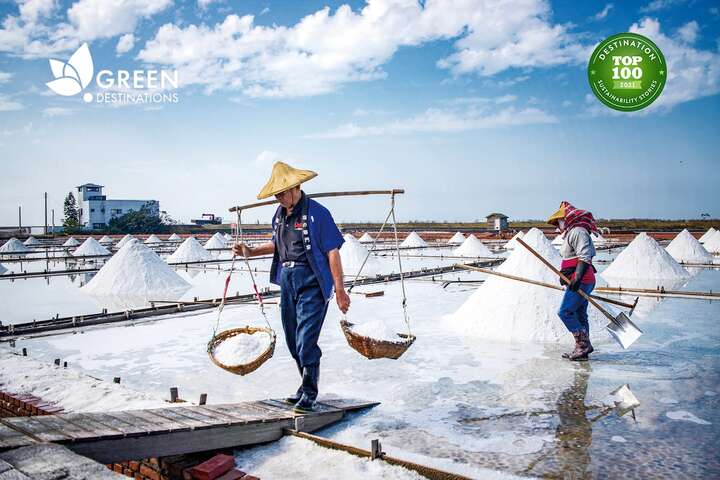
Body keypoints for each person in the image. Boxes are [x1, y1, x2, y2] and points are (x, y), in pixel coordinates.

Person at [233, 161, 350, 412]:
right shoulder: (279, 215)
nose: (279, 197)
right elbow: (277, 244)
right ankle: (303, 385)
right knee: (292, 339)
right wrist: (251, 251)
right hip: (287, 280)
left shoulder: (318, 213)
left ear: (296, 187)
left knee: (306, 340)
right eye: (276, 194)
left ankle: (310, 392)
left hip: (312, 282)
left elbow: (332, 252)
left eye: (282, 192)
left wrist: (340, 290)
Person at [547, 201, 598, 361]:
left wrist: (576, 277)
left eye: (560, 221)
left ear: (568, 218)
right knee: (580, 314)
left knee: (565, 312)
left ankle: (583, 345)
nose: (559, 225)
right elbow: (573, 258)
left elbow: (584, 256)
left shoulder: (578, 232)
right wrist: (567, 274)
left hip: (583, 279)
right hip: (582, 278)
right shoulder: (572, 233)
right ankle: (582, 350)